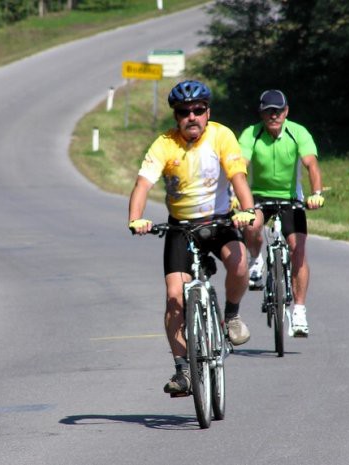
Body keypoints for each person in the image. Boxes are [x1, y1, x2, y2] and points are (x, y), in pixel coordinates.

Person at [128, 80, 257, 396]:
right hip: (180, 228)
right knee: (174, 297)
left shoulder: (221, 136)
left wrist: (248, 210)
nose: (192, 117)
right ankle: (182, 370)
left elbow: (238, 176)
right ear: (176, 116)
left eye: (198, 110)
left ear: (207, 112)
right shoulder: (164, 144)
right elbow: (143, 183)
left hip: (220, 221)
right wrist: (135, 218)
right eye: (184, 112)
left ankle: (231, 316)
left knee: (239, 265)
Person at [238, 89, 325, 337]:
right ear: (261, 113)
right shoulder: (251, 134)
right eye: (268, 111)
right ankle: (256, 260)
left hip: (290, 198)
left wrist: (316, 193)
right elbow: (240, 166)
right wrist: (237, 195)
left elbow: (311, 164)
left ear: (286, 112)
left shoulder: (298, 133)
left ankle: (299, 312)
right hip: (259, 195)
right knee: (251, 224)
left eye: (278, 111)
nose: (273, 115)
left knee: (297, 248)